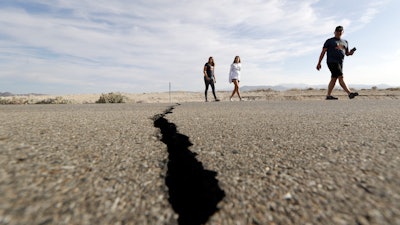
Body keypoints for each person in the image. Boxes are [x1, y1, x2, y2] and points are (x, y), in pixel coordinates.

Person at [316, 26, 358, 100]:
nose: (339, 32)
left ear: (342, 32)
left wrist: (350, 53)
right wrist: (319, 63)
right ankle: (349, 93)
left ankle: (328, 96)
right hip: (332, 61)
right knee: (341, 77)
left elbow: (347, 53)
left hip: (340, 62)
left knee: (334, 78)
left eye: (340, 31)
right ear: (334, 32)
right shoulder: (329, 41)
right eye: (337, 31)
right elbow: (323, 52)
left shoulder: (345, 42)